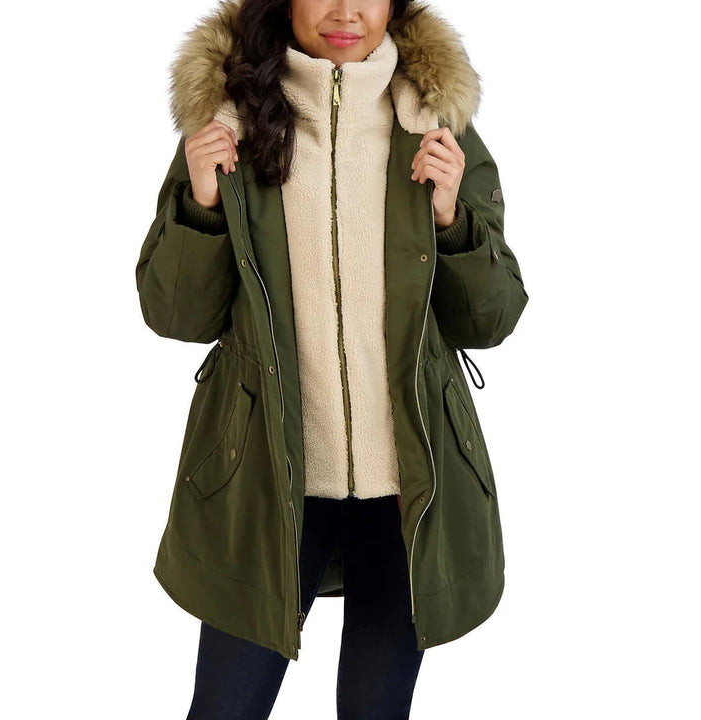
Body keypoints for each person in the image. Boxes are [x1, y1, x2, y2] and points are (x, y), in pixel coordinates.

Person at [135, 0, 529, 717]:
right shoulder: (227, 119)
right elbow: (175, 314)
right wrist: (203, 204)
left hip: (408, 485)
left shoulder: (435, 124)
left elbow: (492, 318)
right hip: (265, 476)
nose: (346, 11)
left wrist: (452, 218)